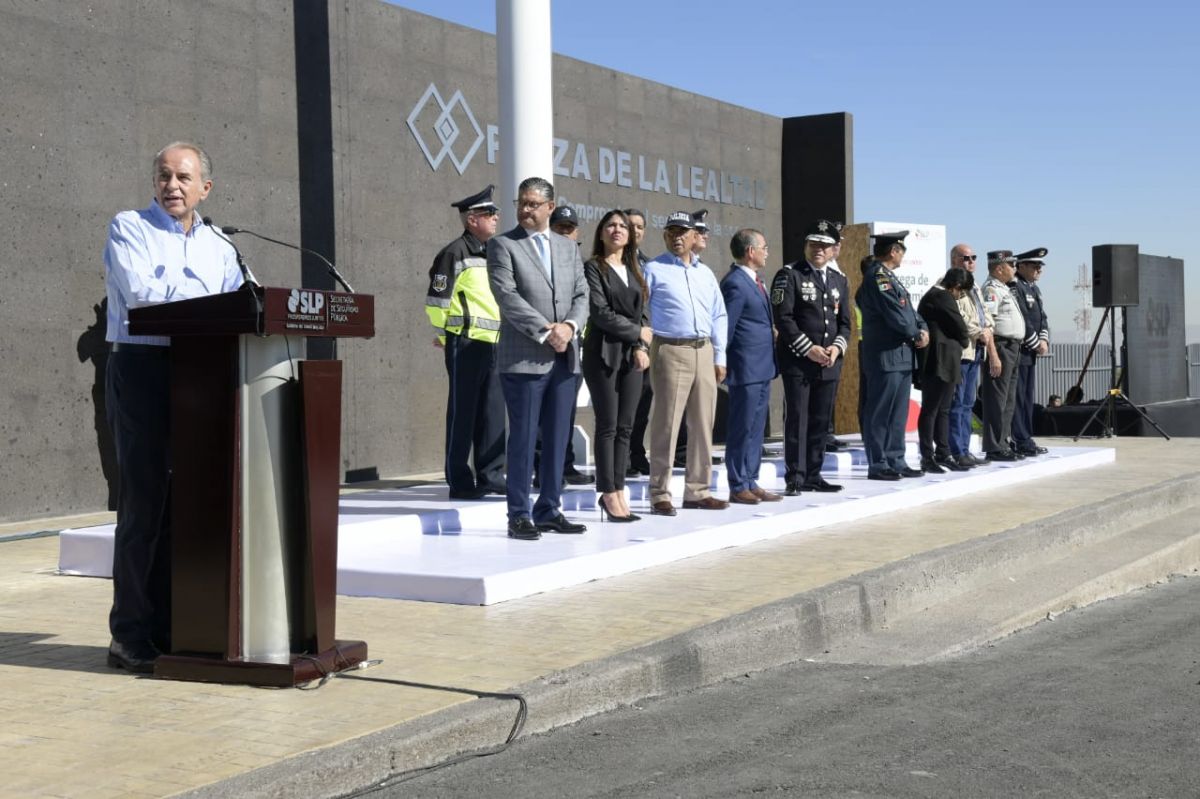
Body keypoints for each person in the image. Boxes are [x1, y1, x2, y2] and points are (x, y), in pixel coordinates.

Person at [103, 141, 244, 672]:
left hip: (199, 372)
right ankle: (129, 635)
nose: (172, 186)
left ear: (205, 187)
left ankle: (174, 628)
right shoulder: (129, 228)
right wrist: (209, 308)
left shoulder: (220, 244)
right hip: (143, 368)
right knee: (144, 504)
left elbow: (241, 302)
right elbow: (143, 296)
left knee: (187, 504)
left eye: (184, 178)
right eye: (164, 176)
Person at [487, 177, 589, 541]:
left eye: (533, 204)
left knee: (558, 438)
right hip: (525, 358)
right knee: (524, 438)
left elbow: (582, 294)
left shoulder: (567, 247)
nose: (525, 210)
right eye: (521, 203)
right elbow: (507, 296)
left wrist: (570, 327)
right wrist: (547, 331)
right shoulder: (503, 245)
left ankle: (549, 509)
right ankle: (519, 514)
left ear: (550, 207)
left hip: (564, 358)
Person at [644, 211, 729, 515]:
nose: (677, 237)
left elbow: (719, 314)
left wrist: (720, 356)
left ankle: (698, 491)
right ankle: (659, 493)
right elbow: (641, 310)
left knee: (704, 424)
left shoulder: (705, 273)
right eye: (671, 232)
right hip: (670, 348)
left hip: (703, 350)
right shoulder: (653, 269)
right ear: (665, 236)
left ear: (695, 236)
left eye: (683, 232)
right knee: (667, 424)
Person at [424, 185, 506, 500]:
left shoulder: (493, 253)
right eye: (490, 213)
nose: (496, 217)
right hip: (466, 343)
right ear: (472, 219)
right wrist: (447, 336)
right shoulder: (454, 253)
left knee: (492, 413)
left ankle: (491, 476)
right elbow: (436, 302)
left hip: (493, 344)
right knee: (463, 414)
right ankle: (460, 482)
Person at [771, 220, 851, 494]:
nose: (819, 249)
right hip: (799, 362)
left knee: (820, 421)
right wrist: (809, 349)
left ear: (833, 250)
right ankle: (795, 476)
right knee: (798, 419)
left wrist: (836, 348)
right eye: (814, 244)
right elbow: (783, 318)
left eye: (824, 245)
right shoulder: (789, 274)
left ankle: (814, 475)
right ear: (806, 246)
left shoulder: (839, 279)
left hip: (829, 363)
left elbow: (845, 323)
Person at [581, 210, 651, 521]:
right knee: (607, 425)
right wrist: (637, 333)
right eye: (610, 225)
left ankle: (620, 490)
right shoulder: (593, 267)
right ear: (601, 232)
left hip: (632, 355)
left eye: (623, 226)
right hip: (602, 353)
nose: (617, 230)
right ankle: (607, 492)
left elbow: (644, 312)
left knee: (626, 426)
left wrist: (641, 346)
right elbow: (600, 312)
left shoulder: (635, 268)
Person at [856, 230, 929, 481]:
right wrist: (915, 333)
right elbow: (895, 314)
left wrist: (923, 327)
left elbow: (909, 311)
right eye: (901, 251)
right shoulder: (878, 277)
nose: (902, 256)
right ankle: (878, 463)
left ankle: (896, 459)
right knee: (880, 412)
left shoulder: (890, 278)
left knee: (898, 414)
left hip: (901, 355)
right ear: (894, 251)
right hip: (885, 355)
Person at [722, 229, 782, 505]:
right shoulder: (735, 283)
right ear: (750, 251)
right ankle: (737, 484)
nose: (767, 253)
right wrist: (722, 361)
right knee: (741, 427)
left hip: (762, 366)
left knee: (756, 428)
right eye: (764, 247)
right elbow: (727, 327)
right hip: (745, 367)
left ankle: (750, 480)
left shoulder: (756, 280)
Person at [536, 201, 593, 487]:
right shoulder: (540, 257)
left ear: (576, 232)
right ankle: (542, 471)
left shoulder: (578, 262)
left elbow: (584, 302)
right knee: (541, 416)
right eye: (559, 228)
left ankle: (565, 466)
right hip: (543, 344)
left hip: (573, 347)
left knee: (565, 411)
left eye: (569, 229)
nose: (565, 233)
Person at [916, 269, 973, 473]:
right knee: (931, 409)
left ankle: (943, 452)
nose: (959, 296)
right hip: (938, 360)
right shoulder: (941, 295)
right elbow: (960, 326)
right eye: (961, 292)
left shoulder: (938, 295)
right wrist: (964, 340)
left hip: (945, 360)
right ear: (955, 286)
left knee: (943, 409)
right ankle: (927, 456)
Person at [947, 243, 995, 470]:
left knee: (968, 403)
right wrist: (979, 332)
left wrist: (988, 329)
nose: (971, 261)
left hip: (977, 350)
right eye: (966, 258)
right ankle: (957, 451)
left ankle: (965, 450)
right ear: (954, 260)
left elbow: (984, 313)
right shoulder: (950, 282)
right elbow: (958, 317)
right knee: (958, 403)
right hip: (963, 350)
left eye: (974, 257)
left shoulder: (974, 285)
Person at [980, 250, 1025, 461]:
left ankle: (1003, 442)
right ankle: (994, 446)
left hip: (1013, 347)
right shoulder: (991, 289)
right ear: (999, 268)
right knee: (996, 399)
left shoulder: (1004, 288)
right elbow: (987, 325)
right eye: (1011, 265)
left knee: (1008, 400)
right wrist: (993, 355)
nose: (1015, 269)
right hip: (1000, 346)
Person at [1011, 248, 1051, 456]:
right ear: (1021, 266)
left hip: (1031, 353)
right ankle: (1019, 438)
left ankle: (1026, 437)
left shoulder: (1034, 289)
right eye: (1035, 266)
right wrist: (1036, 343)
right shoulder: (1015, 287)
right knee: (1018, 398)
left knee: (1027, 398)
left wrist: (1044, 339)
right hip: (1021, 351)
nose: (1039, 270)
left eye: (1040, 266)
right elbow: (1022, 320)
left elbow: (1042, 318)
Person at [624, 208, 654, 477]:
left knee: (643, 405)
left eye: (640, 227)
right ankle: (621, 459)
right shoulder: (610, 262)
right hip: (622, 343)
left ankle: (636, 454)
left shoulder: (649, 265)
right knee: (622, 407)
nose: (635, 231)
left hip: (647, 344)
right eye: (630, 225)